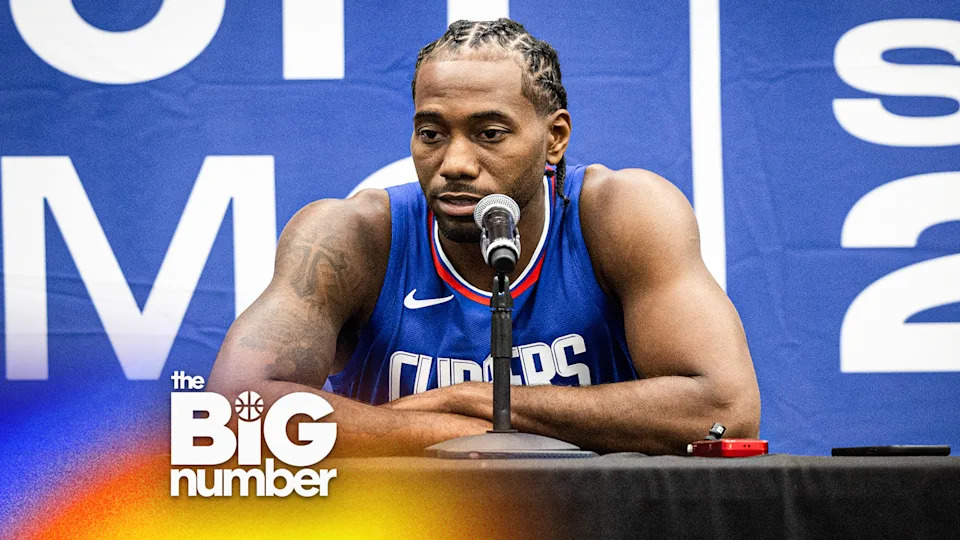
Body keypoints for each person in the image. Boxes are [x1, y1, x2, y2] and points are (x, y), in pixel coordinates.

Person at [208, 19, 760, 456]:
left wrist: (465, 399)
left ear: (554, 138)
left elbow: (723, 412)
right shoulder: (351, 235)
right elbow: (234, 412)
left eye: (489, 134)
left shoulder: (622, 214)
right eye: (431, 133)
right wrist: (478, 435)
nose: (454, 163)